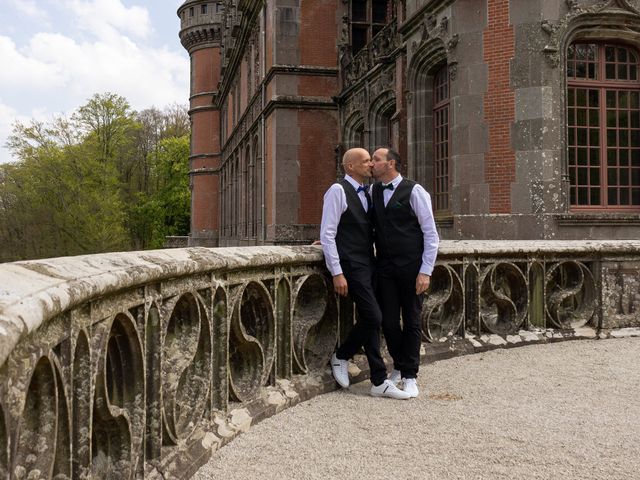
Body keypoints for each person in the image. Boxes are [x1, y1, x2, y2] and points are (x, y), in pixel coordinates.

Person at [320, 147, 410, 400]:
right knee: (373, 316)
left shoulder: (369, 193)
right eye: (366, 161)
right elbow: (327, 233)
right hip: (351, 265)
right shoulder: (338, 190)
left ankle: (379, 380)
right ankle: (341, 355)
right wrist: (337, 272)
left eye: (372, 160)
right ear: (350, 166)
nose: (371, 164)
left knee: (371, 319)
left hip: (369, 262)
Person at [370, 147, 439, 398]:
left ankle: (410, 374)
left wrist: (425, 271)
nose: (371, 164)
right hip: (385, 267)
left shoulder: (415, 190)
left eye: (376, 160)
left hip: (412, 268)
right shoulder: (373, 191)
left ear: (391, 164)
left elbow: (430, 233)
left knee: (411, 320)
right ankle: (399, 365)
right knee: (387, 321)